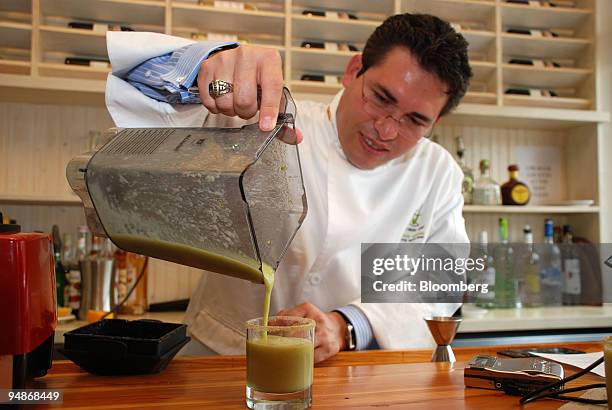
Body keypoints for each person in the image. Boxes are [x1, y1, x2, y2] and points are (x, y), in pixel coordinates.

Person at [105, 13, 473, 363]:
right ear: (353, 70)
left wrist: (345, 326)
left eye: (415, 120)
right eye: (381, 97)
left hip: (348, 373)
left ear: (436, 120)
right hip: (221, 356)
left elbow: (435, 288)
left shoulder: (437, 173)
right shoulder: (264, 119)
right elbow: (139, 89)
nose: (387, 130)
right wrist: (204, 67)